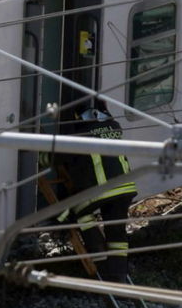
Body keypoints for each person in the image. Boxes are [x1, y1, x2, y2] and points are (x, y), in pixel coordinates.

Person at [56, 102, 137, 283]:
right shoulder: (115, 128)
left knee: (78, 211)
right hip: (125, 189)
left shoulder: (80, 134)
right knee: (117, 233)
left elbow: (60, 156)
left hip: (102, 191)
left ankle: (98, 256)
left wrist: (39, 155)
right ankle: (119, 275)